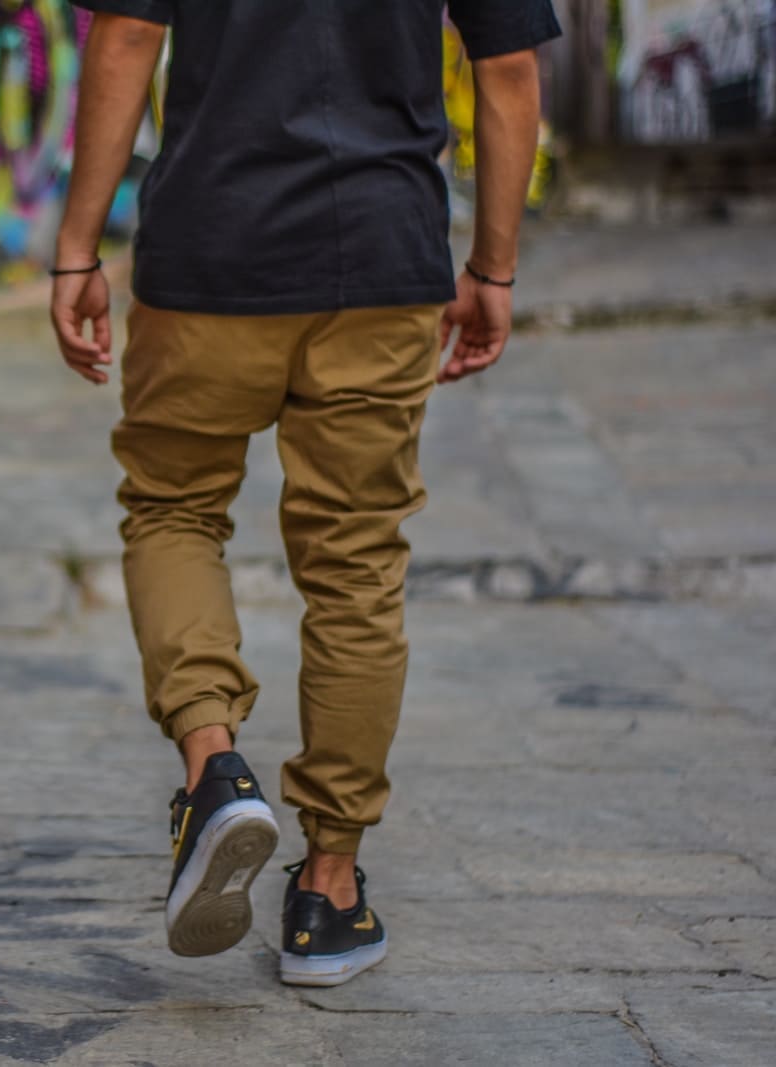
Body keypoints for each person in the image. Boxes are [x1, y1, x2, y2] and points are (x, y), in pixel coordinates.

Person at [49, 0, 560, 986]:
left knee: (173, 510)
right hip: (381, 255)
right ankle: (327, 890)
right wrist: (492, 266)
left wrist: (78, 245)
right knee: (356, 567)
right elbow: (507, 71)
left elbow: (123, 35)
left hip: (209, 248)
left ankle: (213, 767)